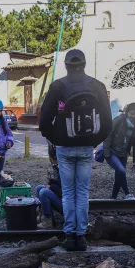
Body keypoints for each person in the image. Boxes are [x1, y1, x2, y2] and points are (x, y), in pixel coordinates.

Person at [39, 49, 112, 251]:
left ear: (66, 65)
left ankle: (70, 236)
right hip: (86, 148)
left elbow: (44, 121)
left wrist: (58, 139)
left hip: (64, 148)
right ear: (85, 64)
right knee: (82, 192)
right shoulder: (97, 86)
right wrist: (94, 141)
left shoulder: (57, 86)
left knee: (68, 193)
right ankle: (81, 236)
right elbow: (107, 122)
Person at [103, 103, 135, 200]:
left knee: (119, 175)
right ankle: (127, 194)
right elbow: (108, 134)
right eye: (131, 114)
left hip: (124, 154)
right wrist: (106, 152)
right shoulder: (119, 120)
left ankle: (113, 198)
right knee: (121, 171)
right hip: (112, 151)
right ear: (127, 112)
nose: (133, 116)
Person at [35, 143, 63, 229]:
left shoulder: (63, 167)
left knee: (43, 192)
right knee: (39, 188)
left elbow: (62, 190)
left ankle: (48, 221)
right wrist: (50, 181)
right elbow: (58, 183)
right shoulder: (56, 167)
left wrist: (50, 186)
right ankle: (43, 215)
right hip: (61, 198)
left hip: (66, 203)